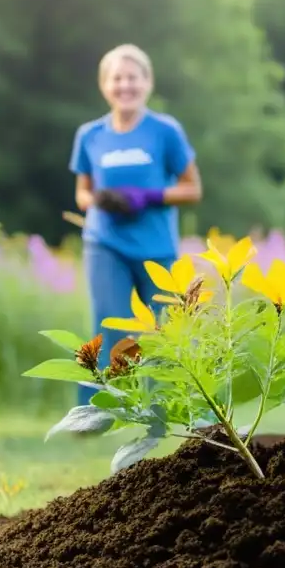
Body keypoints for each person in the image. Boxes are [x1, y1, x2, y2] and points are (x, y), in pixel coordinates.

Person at [69, 44, 201, 405]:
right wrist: (100, 201)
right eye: (117, 78)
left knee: (162, 333)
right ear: (104, 85)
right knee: (109, 325)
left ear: (147, 82)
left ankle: (166, 411)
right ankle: (95, 409)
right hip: (105, 242)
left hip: (156, 245)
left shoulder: (165, 131)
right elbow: (82, 192)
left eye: (133, 77)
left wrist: (149, 196)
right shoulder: (90, 135)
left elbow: (192, 188)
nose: (125, 85)